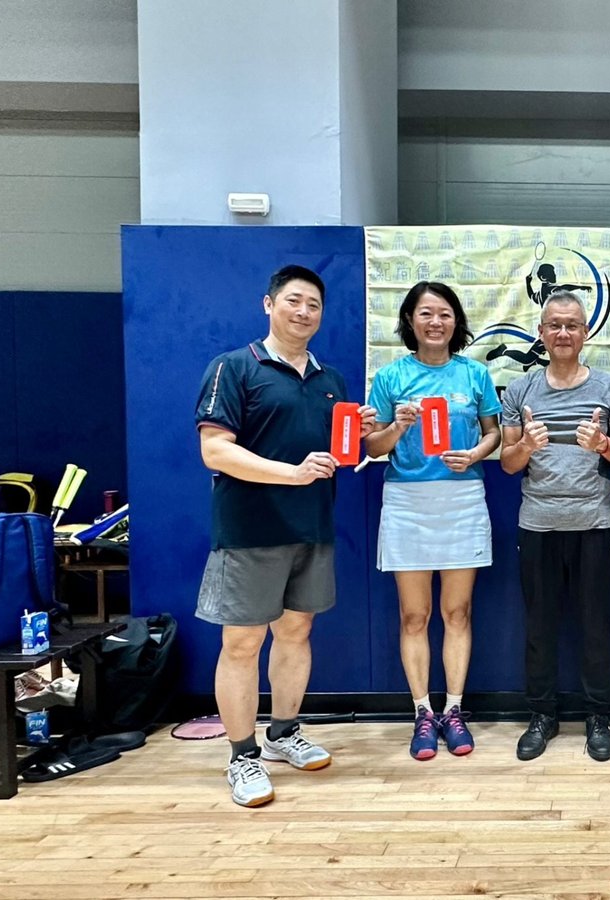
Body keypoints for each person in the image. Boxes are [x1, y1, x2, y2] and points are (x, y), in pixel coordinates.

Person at [194, 265, 376, 808]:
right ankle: (242, 755)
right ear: (268, 304)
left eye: (313, 305)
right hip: (250, 531)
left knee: (296, 633)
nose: (304, 312)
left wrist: (367, 433)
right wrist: (290, 473)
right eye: (294, 301)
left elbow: (343, 454)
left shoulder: (330, 380)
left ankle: (283, 733)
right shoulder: (233, 367)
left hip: (312, 528)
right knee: (242, 643)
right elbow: (215, 450)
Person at [366, 281, 501, 760]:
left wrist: (475, 454)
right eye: (425, 313)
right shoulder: (391, 376)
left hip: (462, 500)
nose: (435, 322)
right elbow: (372, 446)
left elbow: (494, 433)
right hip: (407, 502)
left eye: (444, 313)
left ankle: (454, 710)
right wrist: (398, 426)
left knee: (457, 613)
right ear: (410, 320)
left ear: (456, 321)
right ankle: (423, 713)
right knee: (414, 615)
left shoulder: (474, 374)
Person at [499, 291, 610, 761]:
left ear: (585, 332)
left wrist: (603, 444)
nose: (563, 333)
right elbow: (508, 463)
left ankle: (598, 715)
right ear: (541, 332)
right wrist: (526, 447)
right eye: (554, 325)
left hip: (594, 522)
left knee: (596, 625)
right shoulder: (520, 390)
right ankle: (542, 715)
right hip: (537, 524)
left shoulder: (609, 387)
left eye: (572, 325)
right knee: (539, 626)